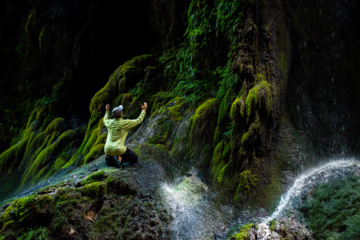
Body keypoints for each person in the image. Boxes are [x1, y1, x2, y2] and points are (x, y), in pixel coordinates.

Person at [103, 102, 147, 168]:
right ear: (121, 115)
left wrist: (107, 111)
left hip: (107, 149)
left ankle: (110, 158)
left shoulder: (109, 122)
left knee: (112, 152)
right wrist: (143, 110)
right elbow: (139, 120)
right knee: (134, 158)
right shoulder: (125, 123)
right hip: (118, 149)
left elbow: (104, 119)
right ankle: (119, 159)